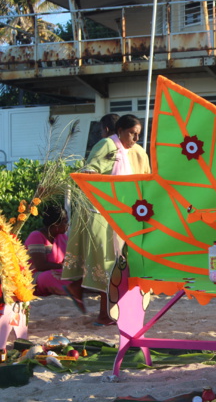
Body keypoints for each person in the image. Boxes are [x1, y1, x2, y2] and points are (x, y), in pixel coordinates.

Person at [63, 114, 151, 326]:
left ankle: (80, 289)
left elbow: (147, 180)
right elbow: (89, 172)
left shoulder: (139, 152)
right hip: (101, 214)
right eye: (132, 133)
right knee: (109, 264)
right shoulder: (107, 145)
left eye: (138, 134)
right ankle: (103, 314)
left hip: (128, 217)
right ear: (119, 130)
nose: (136, 139)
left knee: (123, 265)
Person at [23, 204, 85, 313]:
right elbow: (40, 266)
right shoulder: (36, 236)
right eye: (65, 222)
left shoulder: (62, 238)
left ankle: (79, 287)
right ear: (56, 224)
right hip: (36, 277)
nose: (67, 225)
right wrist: (63, 267)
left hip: (58, 271)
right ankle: (78, 288)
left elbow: (69, 260)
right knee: (49, 276)